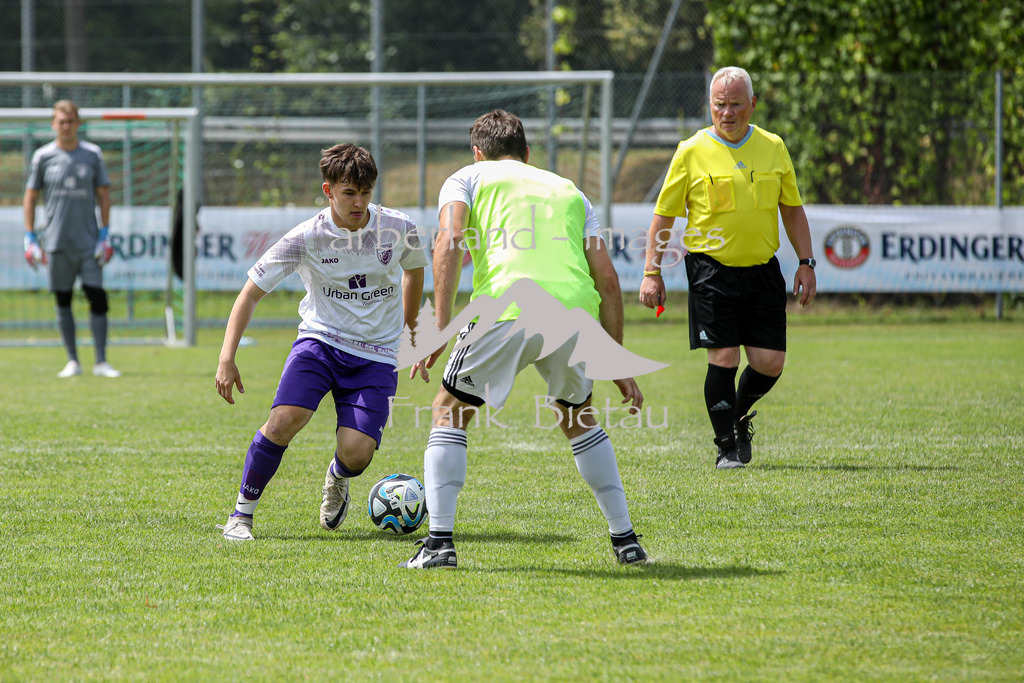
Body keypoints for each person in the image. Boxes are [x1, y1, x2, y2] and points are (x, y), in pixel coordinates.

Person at [403, 110, 648, 569]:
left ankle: (438, 546)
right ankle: (626, 540)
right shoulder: (570, 190)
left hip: (507, 309)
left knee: (449, 410)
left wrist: (440, 324)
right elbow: (609, 281)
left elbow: (450, 238)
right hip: (575, 314)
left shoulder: (466, 177)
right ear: (527, 154)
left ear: (478, 153)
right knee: (578, 418)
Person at [214, 143, 427, 541]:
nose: (359, 202)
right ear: (328, 191)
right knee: (283, 421)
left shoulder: (398, 228)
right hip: (320, 343)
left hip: (376, 355)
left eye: (366, 192)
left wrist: (413, 332)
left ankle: (338, 476)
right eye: (349, 193)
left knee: (357, 452)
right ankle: (241, 515)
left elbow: (414, 272)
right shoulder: (307, 236)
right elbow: (249, 294)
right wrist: (227, 357)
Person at [639, 66, 817, 470]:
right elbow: (663, 217)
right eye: (720, 104)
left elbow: (791, 209)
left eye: (737, 104)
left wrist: (806, 263)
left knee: (769, 363)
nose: (728, 112)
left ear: (753, 104)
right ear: (710, 106)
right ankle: (726, 449)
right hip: (711, 271)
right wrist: (653, 272)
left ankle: (737, 417)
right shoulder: (691, 150)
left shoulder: (773, 146)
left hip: (762, 270)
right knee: (723, 358)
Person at [23, 100, 120, 378]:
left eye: (70, 122)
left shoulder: (92, 154)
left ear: (78, 124)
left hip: (89, 243)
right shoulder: (42, 157)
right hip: (55, 243)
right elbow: (30, 198)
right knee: (63, 300)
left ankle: (101, 362)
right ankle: (73, 362)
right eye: (61, 122)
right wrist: (30, 236)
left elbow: (104, 195)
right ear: (53, 124)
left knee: (97, 298)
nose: (66, 127)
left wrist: (105, 234)